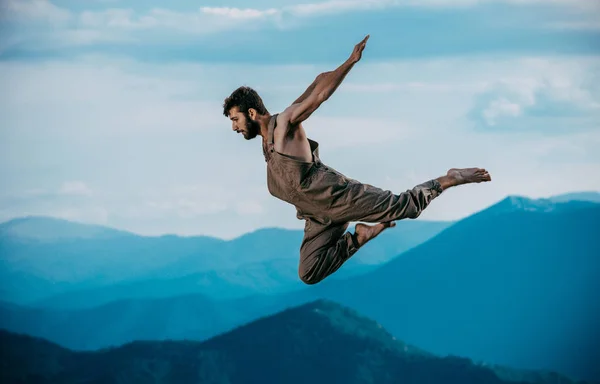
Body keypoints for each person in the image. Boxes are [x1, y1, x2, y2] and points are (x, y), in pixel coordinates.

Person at [222, 35, 491, 285]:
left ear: (252, 112)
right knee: (309, 272)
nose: (234, 127)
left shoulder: (284, 126)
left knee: (404, 207)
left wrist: (350, 62)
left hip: (338, 196)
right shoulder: (267, 145)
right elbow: (316, 82)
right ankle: (361, 235)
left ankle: (450, 178)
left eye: (235, 119)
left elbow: (319, 95)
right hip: (318, 217)